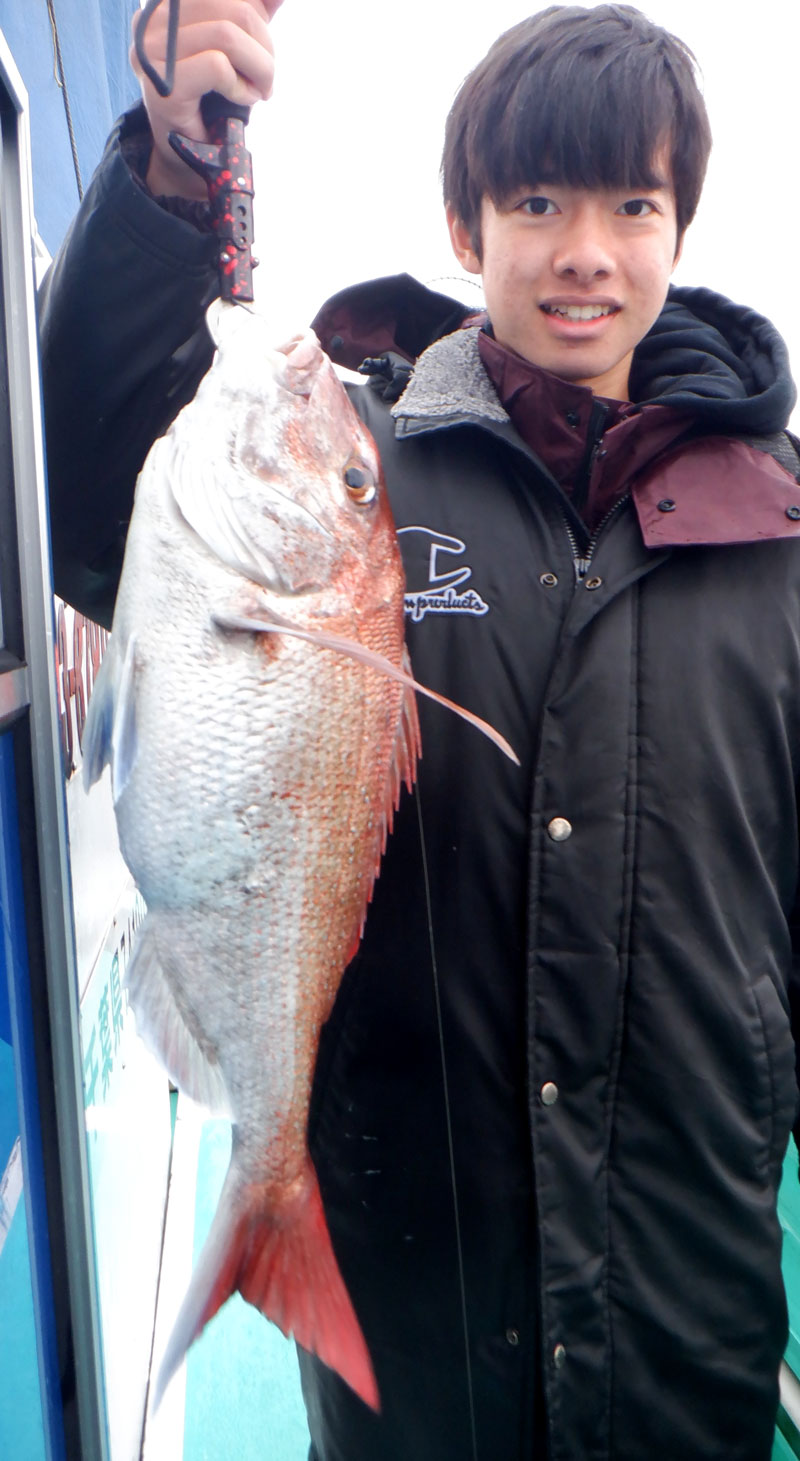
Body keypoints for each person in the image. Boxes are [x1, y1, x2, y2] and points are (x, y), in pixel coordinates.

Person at [39, 4, 800, 1458]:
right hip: (413, 1315)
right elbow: (96, 489)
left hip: (689, 1337)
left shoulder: (781, 526)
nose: (585, 248)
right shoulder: (371, 477)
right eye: (536, 202)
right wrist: (174, 171)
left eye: (632, 203)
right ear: (465, 225)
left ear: (680, 225)